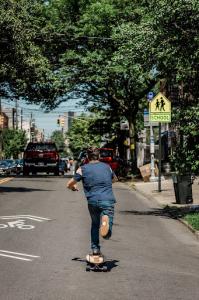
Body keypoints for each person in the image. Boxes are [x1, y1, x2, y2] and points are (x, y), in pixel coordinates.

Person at [67, 147, 117, 255]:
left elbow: (69, 183)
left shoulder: (82, 168)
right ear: (99, 156)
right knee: (106, 233)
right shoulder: (107, 167)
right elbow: (114, 179)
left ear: (87, 157)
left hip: (93, 201)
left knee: (95, 224)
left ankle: (95, 249)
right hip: (107, 200)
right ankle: (106, 223)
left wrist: (73, 187)